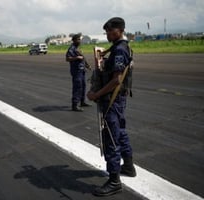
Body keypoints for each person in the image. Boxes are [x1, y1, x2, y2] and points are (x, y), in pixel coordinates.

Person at [87, 17, 136, 197]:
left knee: (111, 139)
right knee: (121, 132)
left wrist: (96, 94)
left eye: (110, 30)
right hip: (118, 100)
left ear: (119, 30)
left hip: (112, 100)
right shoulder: (120, 47)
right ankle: (129, 167)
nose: (107, 34)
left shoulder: (119, 50)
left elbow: (116, 80)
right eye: (106, 31)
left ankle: (114, 181)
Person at [66, 34, 91, 112]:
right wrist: (76, 58)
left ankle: (82, 102)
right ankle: (75, 105)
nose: (79, 41)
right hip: (76, 71)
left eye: (80, 39)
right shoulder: (71, 49)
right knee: (77, 87)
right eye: (78, 39)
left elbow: (83, 57)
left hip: (82, 70)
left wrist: (87, 65)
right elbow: (67, 58)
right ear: (74, 40)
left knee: (83, 86)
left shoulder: (78, 48)